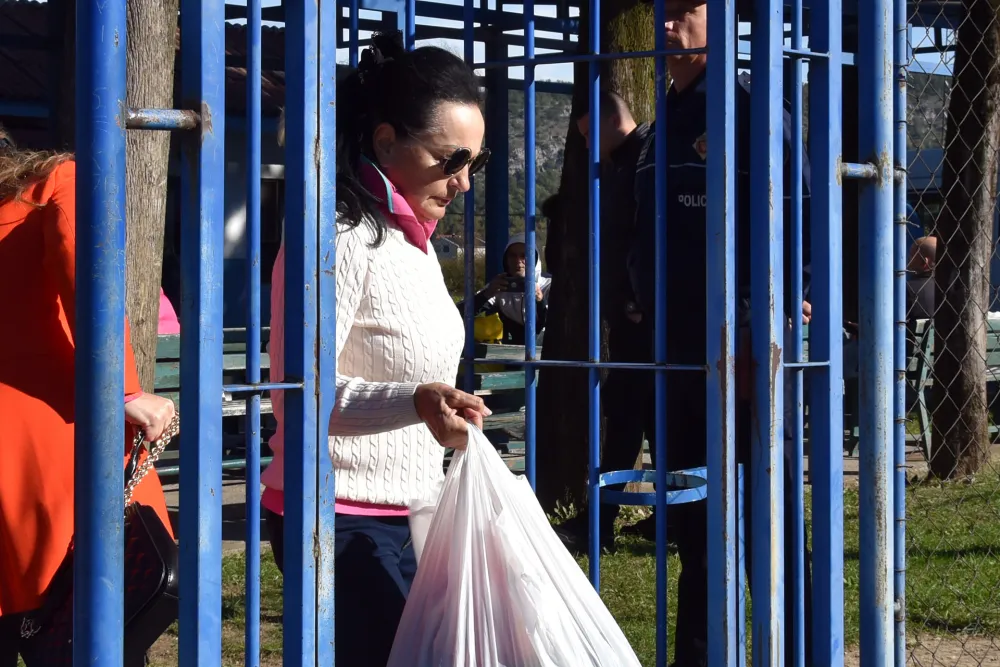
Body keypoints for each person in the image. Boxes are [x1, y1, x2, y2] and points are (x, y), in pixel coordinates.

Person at [259, 32, 492, 667]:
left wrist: (432, 413)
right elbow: (298, 395)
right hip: (334, 517)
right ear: (386, 142)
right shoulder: (336, 238)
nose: (464, 184)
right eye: (449, 161)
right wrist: (415, 402)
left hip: (412, 512)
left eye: (476, 162)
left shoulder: (410, 242)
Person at [627, 2, 813, 665]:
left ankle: (795, 645)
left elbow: (801, 212)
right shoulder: (659, 127)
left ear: (727, 21)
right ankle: (702, 654)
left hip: (741, 353)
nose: (668, 23)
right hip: (675, 359)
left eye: (686, 11)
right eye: (663, 11)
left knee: (769, 514)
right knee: (696, 522)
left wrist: (792, 298)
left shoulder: (749, 113)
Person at [0, 129, 176, 665]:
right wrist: (120, 388)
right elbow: (82, 260)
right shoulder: (55, 180)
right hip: (53, 447)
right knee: (96, 625)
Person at [555, 89, 655, 551]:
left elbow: (642, 233)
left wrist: (637, 294)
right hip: (638, 315)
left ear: (607, 122)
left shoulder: (643, 160)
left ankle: (602, 520)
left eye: (590, 136)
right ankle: (615, 517)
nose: (590, 148)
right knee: (637, 418)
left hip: (644, 317)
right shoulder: (632, 161)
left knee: (630, 419)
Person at [456, 233, 551, 345]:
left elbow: (554, 323)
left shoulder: (548, 285)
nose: (518, 261)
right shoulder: (500, 287)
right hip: (511, 354)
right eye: (512, 255)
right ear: (506, 259)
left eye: (524, 255)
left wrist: (540, 301)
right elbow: (459, 312)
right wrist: (487, 294)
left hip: (546, 350)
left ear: (535, 258)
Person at [907, 235, 936, 321]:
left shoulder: (907, 290)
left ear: (925, 262)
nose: (908, 260)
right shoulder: (950, 287)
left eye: (912, 256)